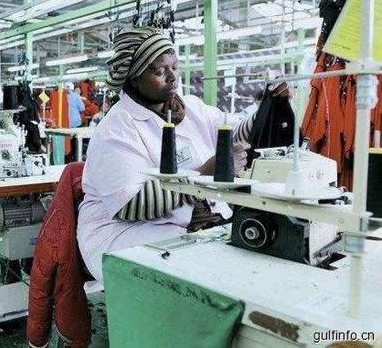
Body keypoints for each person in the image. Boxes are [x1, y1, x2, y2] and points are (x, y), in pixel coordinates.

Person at [77, 27, 291, 282]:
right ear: (134, 79)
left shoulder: (191, 108)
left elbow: (235, 135)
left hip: (191, 222)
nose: (172, 77)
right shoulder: (116, 128)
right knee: (204, 274)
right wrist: (206, 173)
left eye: (175, 67)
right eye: (159, 71)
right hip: (124, 233)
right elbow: (131, 205)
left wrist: (267, 108)